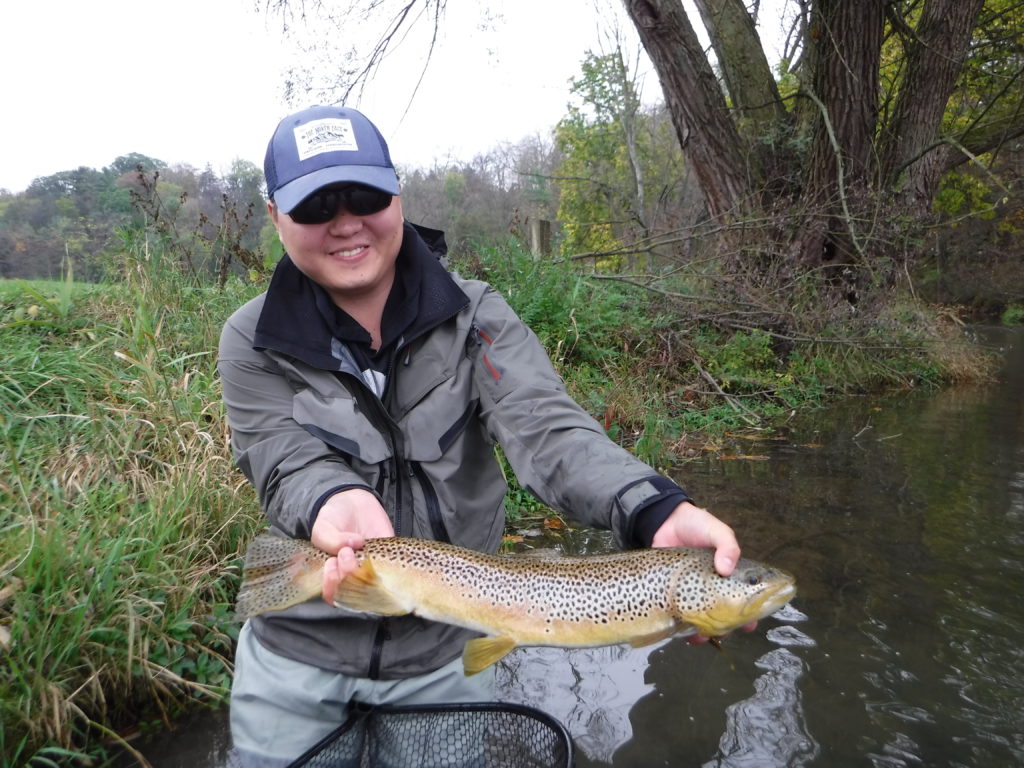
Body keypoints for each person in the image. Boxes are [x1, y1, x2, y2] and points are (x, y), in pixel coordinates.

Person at [219, 104, 747, 766]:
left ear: (397, 194)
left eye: (365, 195)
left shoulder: (477, 319)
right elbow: (281, 458)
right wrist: (331, 504)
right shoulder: (250, 337)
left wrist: (652, 505)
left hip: (446, 653)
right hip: (298, 651)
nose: (346, 221)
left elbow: (545, 428)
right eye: (316, 205)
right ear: (275, 217)